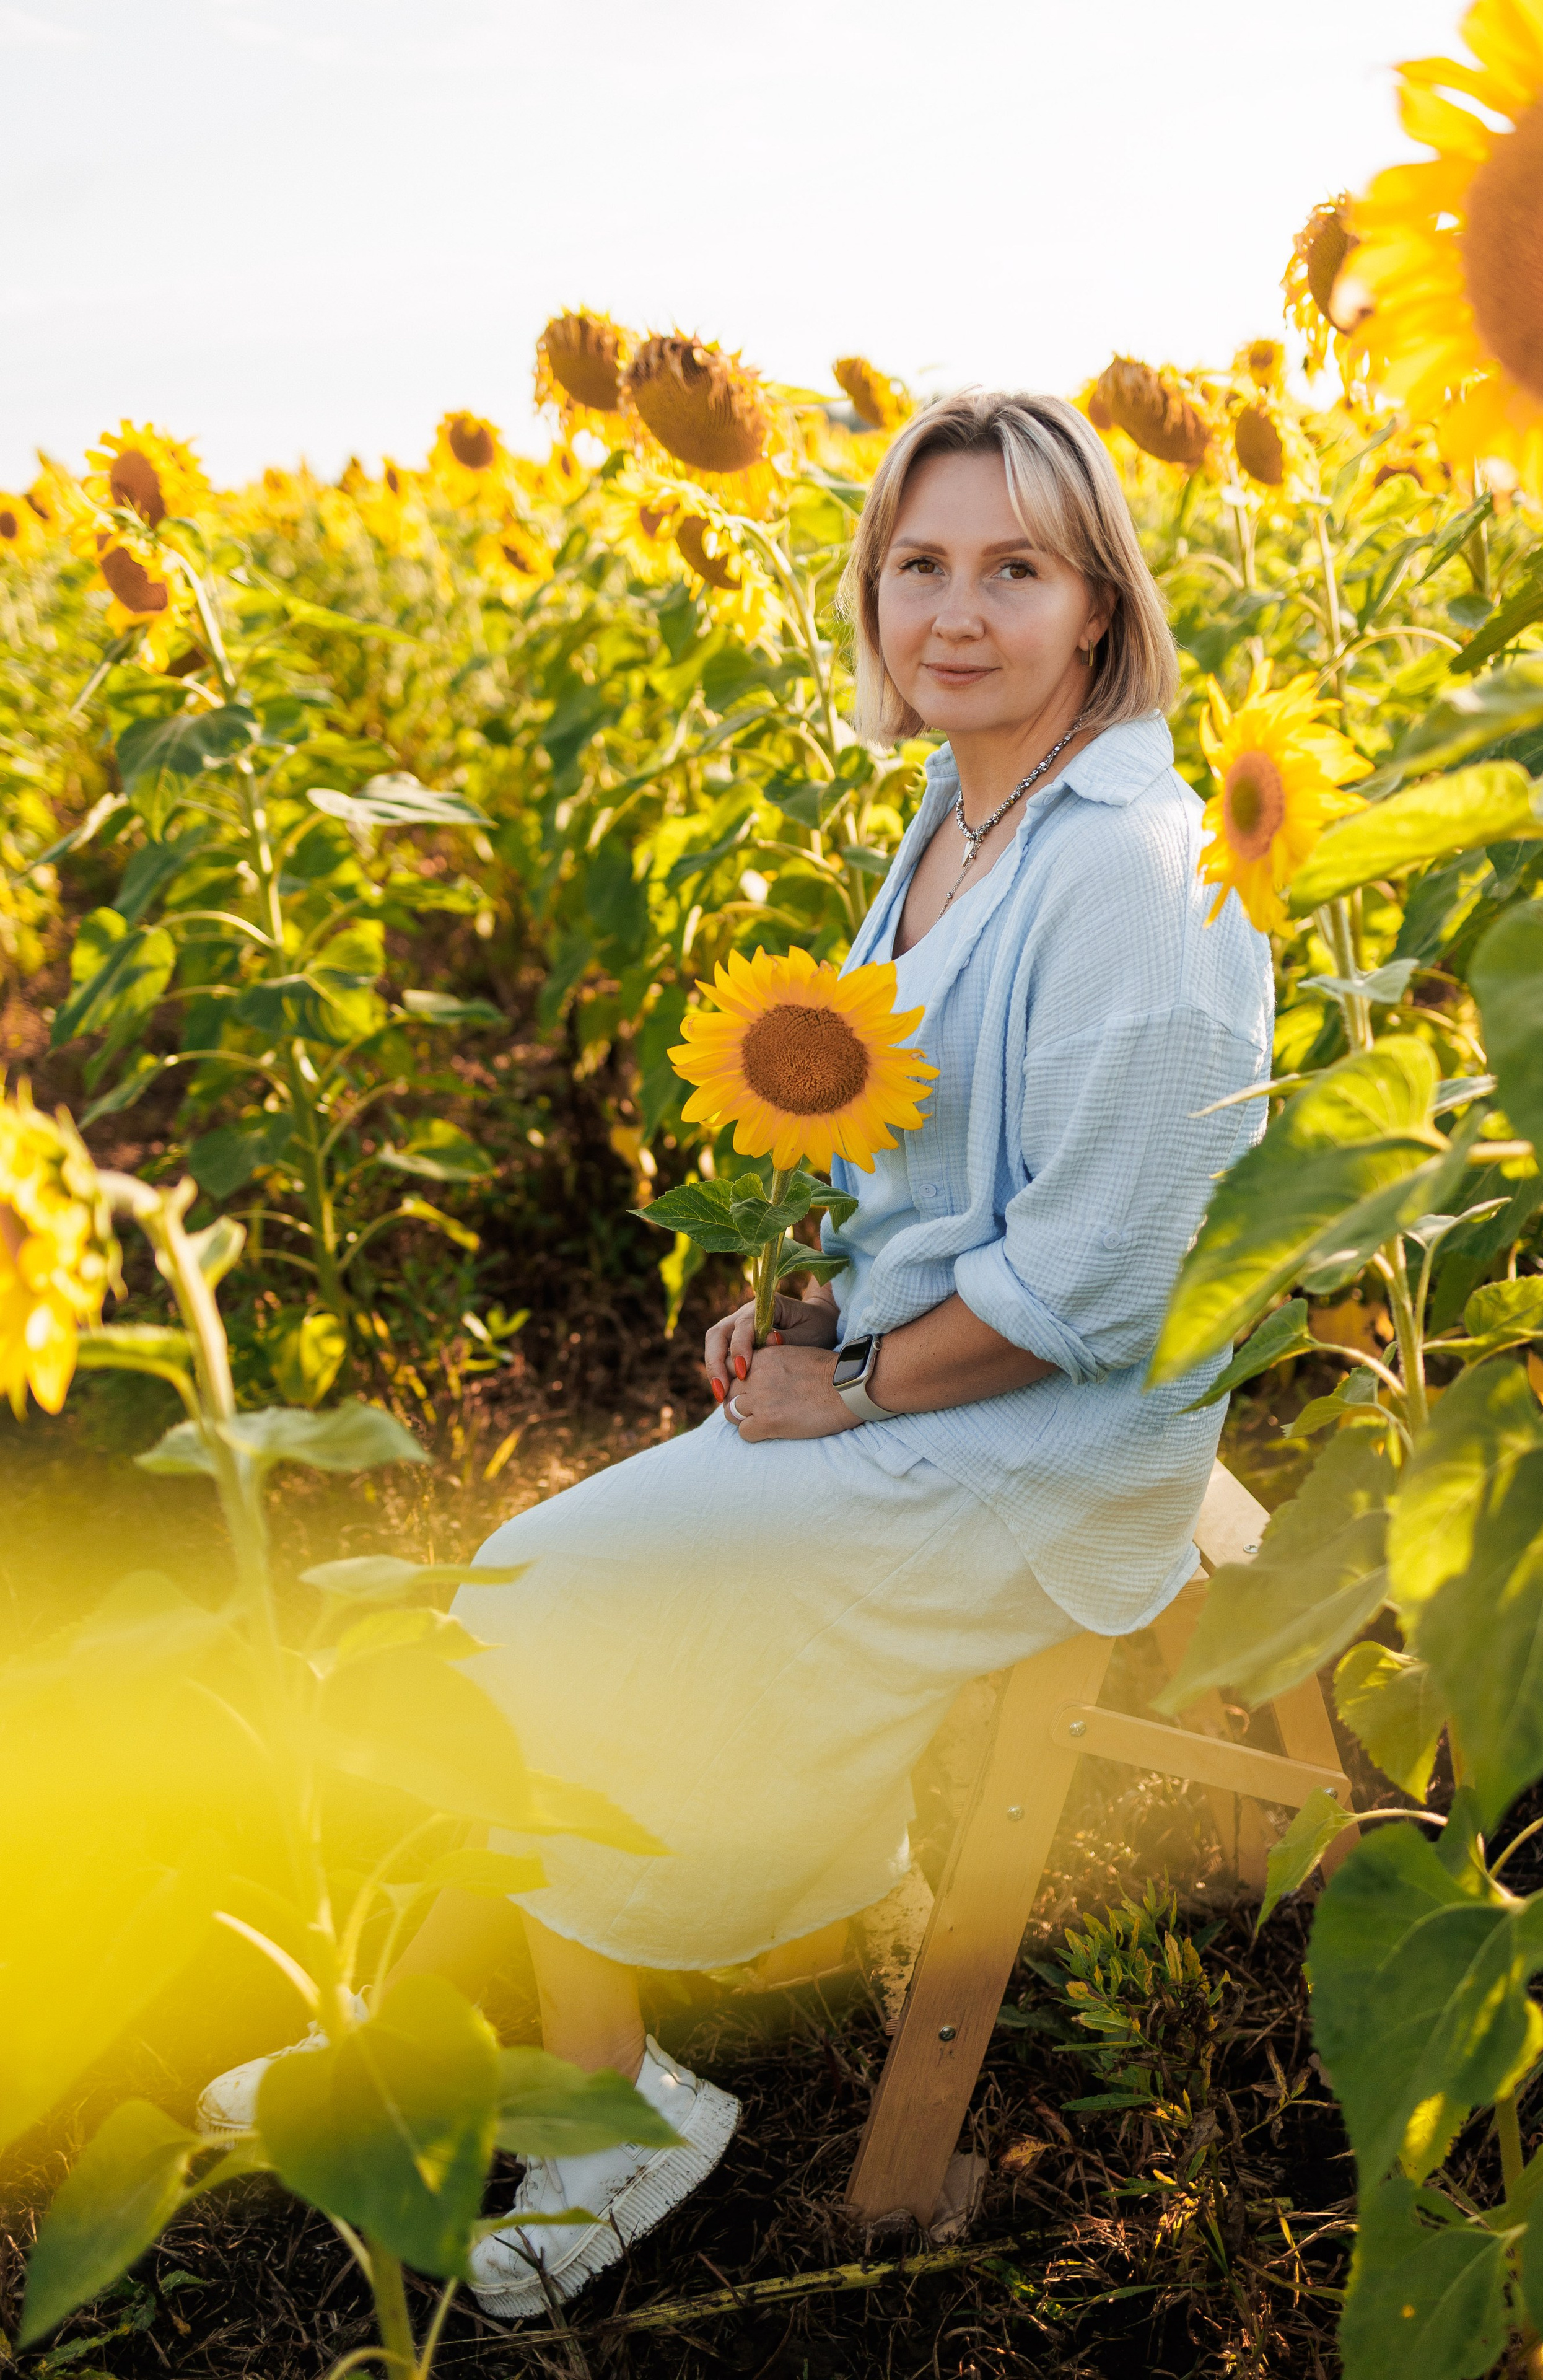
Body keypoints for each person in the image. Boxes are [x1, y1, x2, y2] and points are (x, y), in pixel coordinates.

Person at [198, 389, 1273, 2316]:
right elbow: (916, 1157)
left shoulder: (1133, 863)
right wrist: (800, 1311)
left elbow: (1109, 1272)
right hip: (935, 1376)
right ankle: (408, 2046)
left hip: (1057, 1439)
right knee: (518, 1598)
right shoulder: (965, 810)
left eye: (1012, 569)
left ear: (1099, 607)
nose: (954, 612)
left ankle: (619, 2103)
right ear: (871, 598)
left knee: (540, 1592)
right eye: (919, 567)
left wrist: (849, 1382)